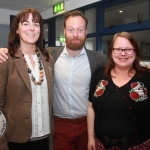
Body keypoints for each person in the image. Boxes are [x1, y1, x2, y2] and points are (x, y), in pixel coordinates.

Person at [0, 10, 107, 150]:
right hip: (56, 127)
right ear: (64, 31)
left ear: (86, 31)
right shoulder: (51, 56)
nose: (75, 34)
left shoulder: (98, 60)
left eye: (80, 30)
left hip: (83, 126)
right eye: (71, 29)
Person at [0, 8, 54, 150]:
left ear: (40, 30)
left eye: (36, 24)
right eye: (25, 23)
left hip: (44, 138)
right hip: (15, 140)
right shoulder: (6, 59)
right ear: (16, 29)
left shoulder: (48, 60)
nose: (31, 28)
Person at [87, 32, 150, 150]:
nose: (123, 53)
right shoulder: (99, 75)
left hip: (139, 146)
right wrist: (90, 137)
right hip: (101, 145)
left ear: (135, 52)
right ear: (111, 52)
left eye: (128, 49)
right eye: (118, 49)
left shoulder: (146, 77)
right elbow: (90, 107)